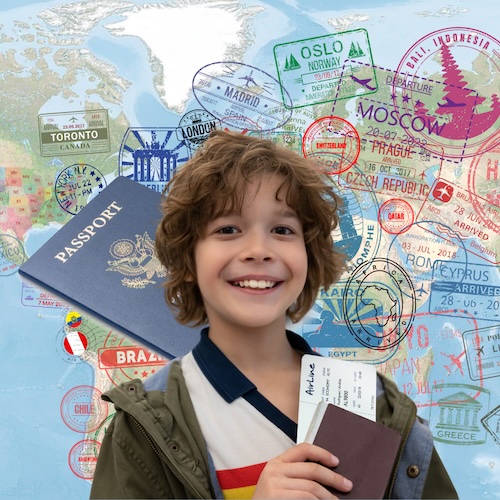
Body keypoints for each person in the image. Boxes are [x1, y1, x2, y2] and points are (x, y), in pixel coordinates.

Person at [90, 130, 457, 499]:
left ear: (308, 256)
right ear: (189, 259)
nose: (258, 250)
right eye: (228, 229)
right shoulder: (146, 424)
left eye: (282, 229)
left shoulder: (378, 404)